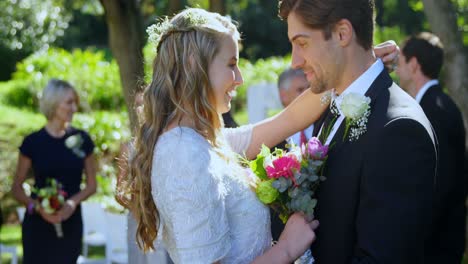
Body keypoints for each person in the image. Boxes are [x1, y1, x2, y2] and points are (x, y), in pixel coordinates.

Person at [118, 8, 400, 264]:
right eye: (231, 64)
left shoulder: (201, 141)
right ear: (195, 65)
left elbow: (286, 120)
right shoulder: (184, 153)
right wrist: (287, 249)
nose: (239, 78)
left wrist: (352, 65)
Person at [278, 0, 437, 263]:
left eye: (302, 43)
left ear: (342, 33)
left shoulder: (399, 131)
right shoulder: (330, 106)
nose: (295, 61)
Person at [396, 32, 467, 264]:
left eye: (400, 62)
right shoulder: (439, 104)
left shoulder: (434, 110)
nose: (397, 70)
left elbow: (440, 183)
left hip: (436, 243)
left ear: (414, 64)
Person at [11, 79, 97, 264]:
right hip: (37, 226)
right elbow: (16, 188)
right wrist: (37, 207)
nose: (74, 108)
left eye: (75, 102)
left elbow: (92, 185)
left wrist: (72, 204)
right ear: (53, 103)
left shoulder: (82, 139)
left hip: (71, 223)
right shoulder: (32, 142)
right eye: (69, 102)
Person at [278, 68, 314, 147]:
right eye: (300, 90)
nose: (307, 93)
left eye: (309, 88)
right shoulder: (273, 134)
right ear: (283, 95)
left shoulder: (325, 123)